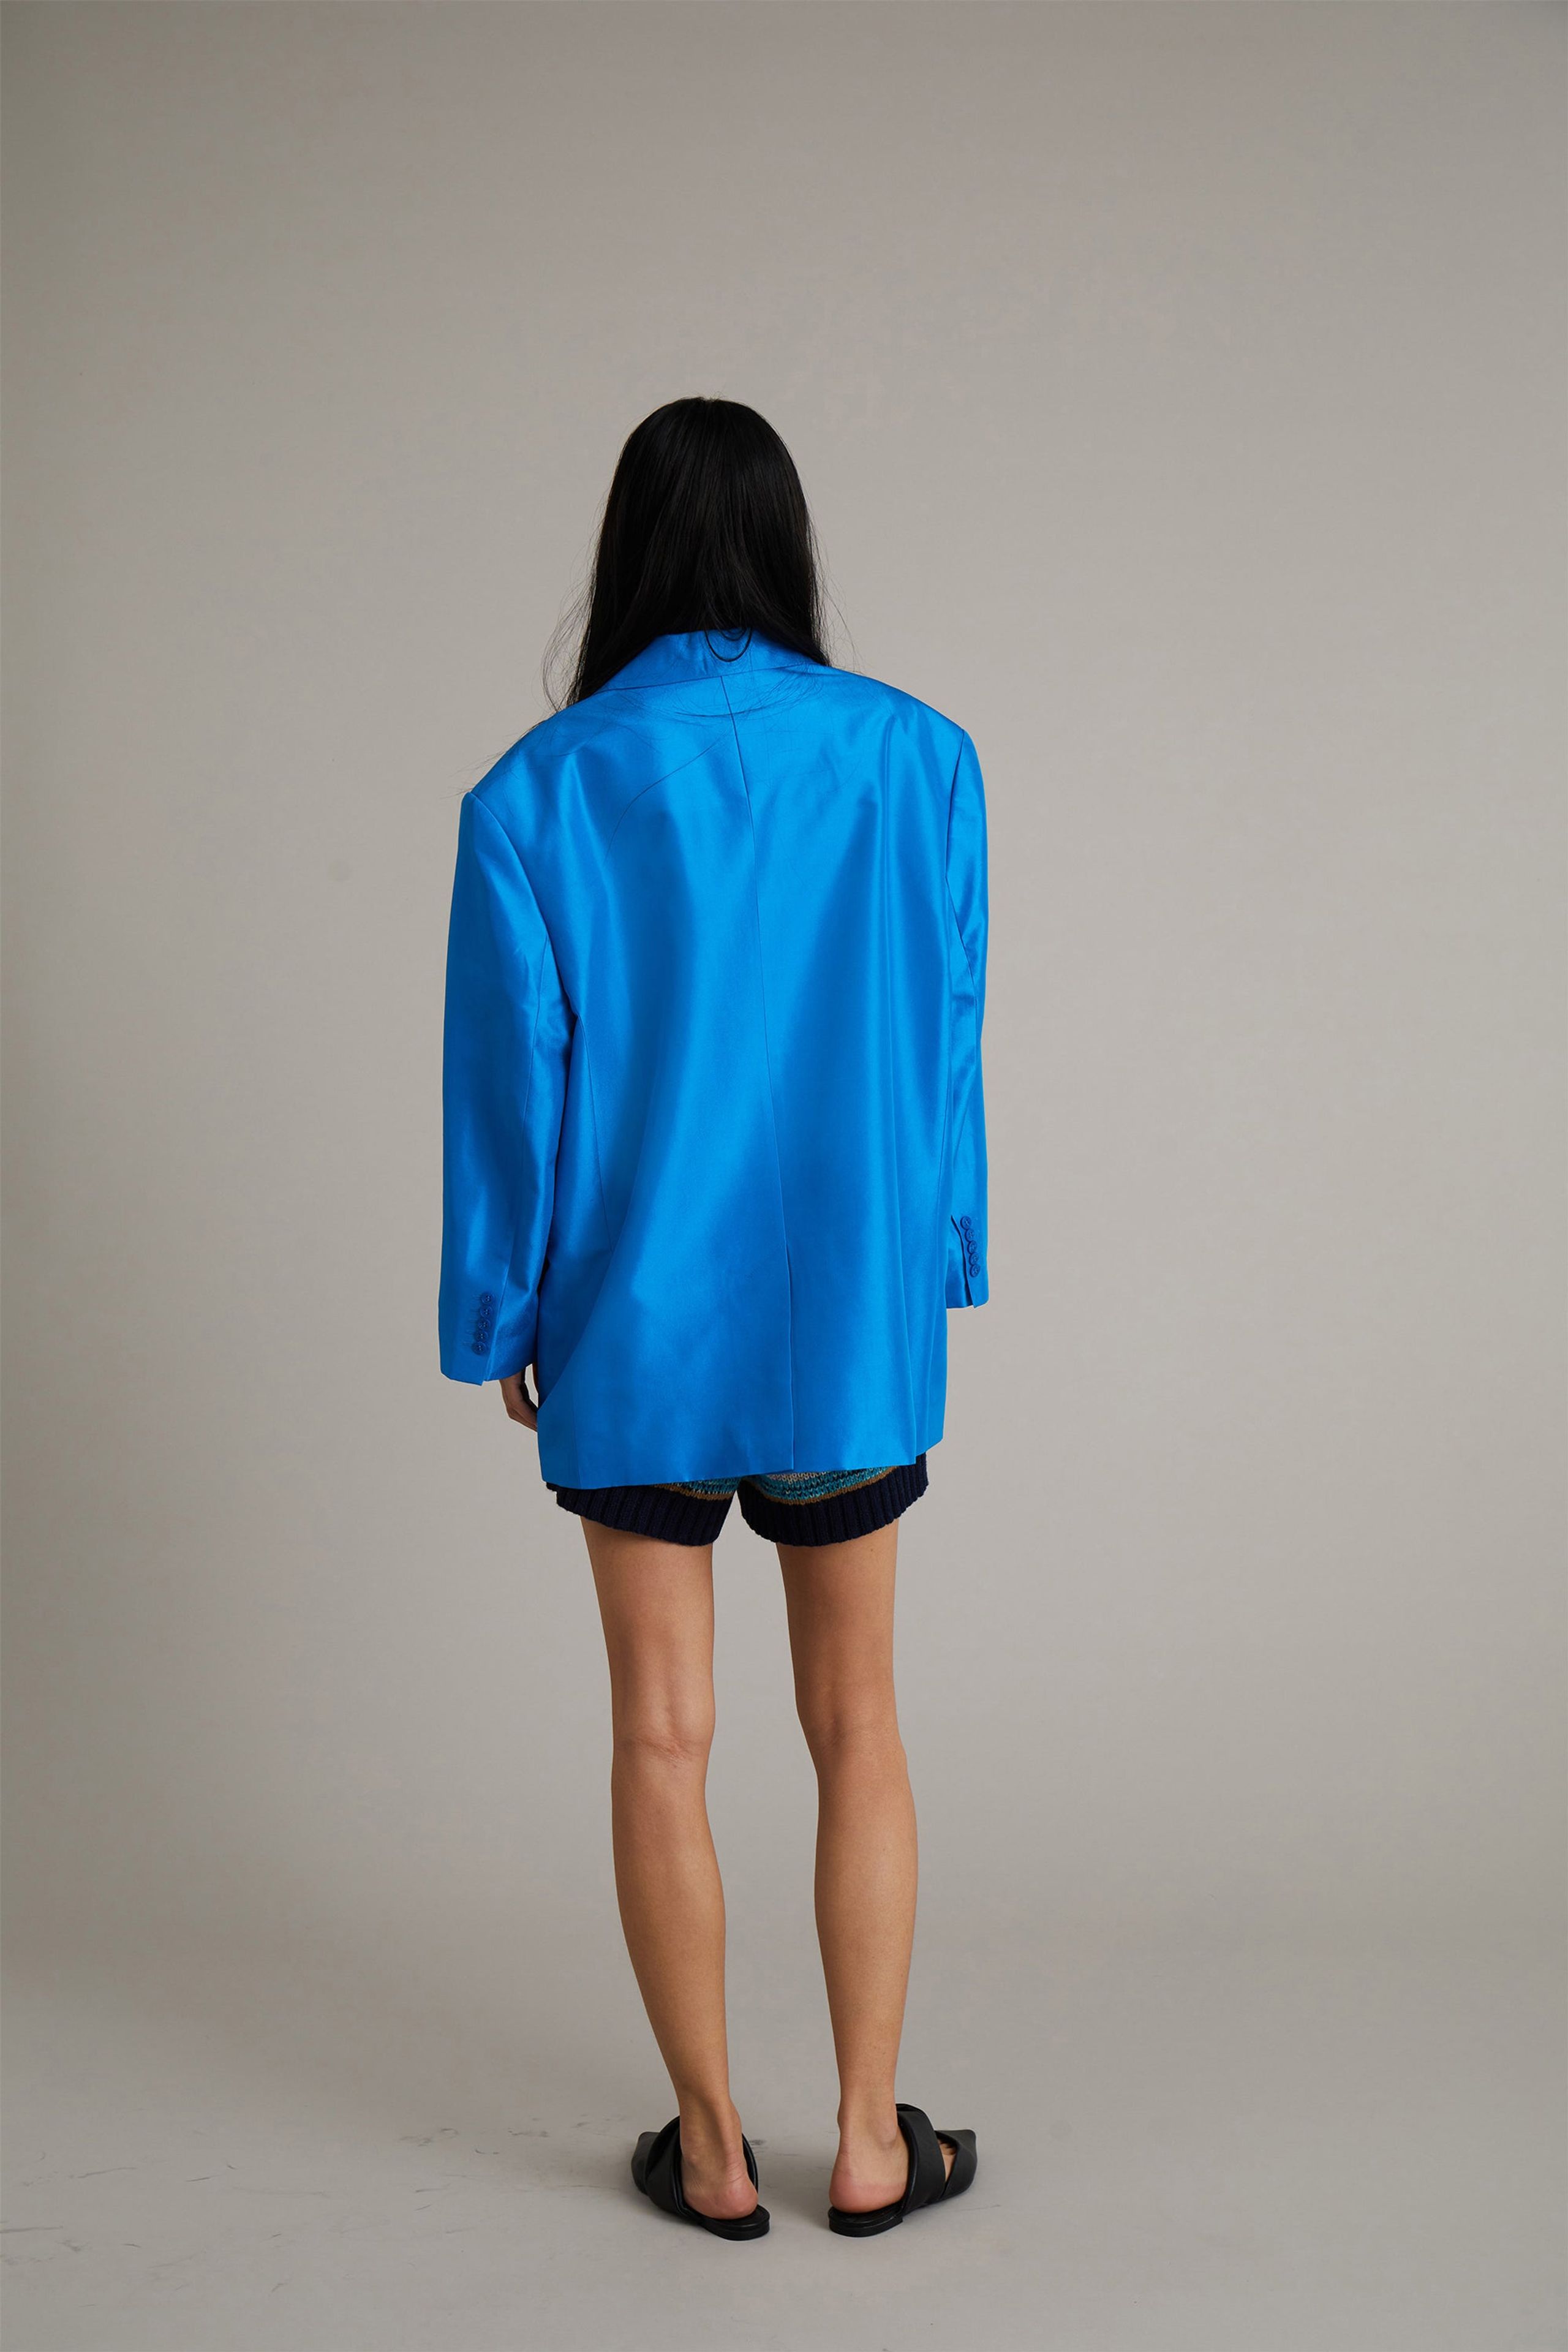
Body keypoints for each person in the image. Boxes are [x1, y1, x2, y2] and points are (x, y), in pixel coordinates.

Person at [439, 398, 988, 2239]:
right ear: (784, 541)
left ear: (630, 550)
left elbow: (510, 1081)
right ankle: (870, 2141)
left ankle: (712, 2147)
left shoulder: (537, 792)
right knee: (860, 1722)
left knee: (659, 1735)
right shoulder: (918, 760)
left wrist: (500, 1312)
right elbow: (945, 1036)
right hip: (844, 1327)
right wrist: (943, 1254)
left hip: (633, 1323)